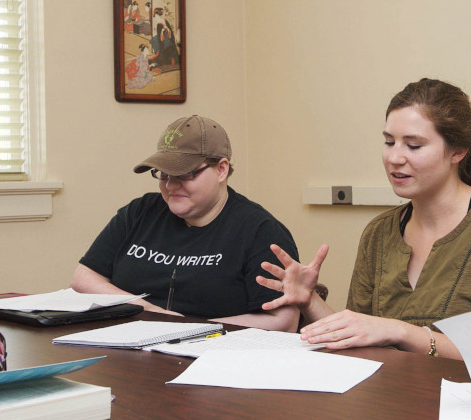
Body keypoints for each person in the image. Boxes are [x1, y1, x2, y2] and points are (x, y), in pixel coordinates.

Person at [258, 78, 471, 359]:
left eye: (413, 145)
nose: (394, 158)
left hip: (470, 402)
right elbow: (363, 337)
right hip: (387, 397)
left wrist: (401, 332)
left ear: (457, 151)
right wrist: (310, 301)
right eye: (388, 142)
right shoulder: (379, 232)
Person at [73, 115, 302, 331]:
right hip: (128, 346)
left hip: (214, 356)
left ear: (221, 169)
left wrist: (191, 330)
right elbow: (84, 277)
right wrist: (151, 312)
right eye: (163, 174)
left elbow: (284, 320)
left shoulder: (260, 230)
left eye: (185, 174)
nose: (170, 186)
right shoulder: (140, 212)